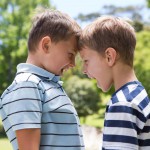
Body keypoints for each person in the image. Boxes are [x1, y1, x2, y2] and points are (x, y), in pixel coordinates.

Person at [0, 8, 85, 150]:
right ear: (46, 45)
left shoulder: (47, 85)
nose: (73, 64)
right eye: (70, 54)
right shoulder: (26, 86)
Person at [79, 16, 150, 150]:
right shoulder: (137, 94)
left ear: (109, 57)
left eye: (86, 61)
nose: (83, 70)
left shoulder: (121, 104)